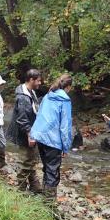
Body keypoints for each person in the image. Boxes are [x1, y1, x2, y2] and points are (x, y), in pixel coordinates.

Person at [29, 74, 73, 203]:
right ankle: (49, 205)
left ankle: (45, 199)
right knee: (53, 172)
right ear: (68, 87)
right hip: (53, 140)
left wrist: (33, 135)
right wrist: (66, 147)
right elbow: (65, 126)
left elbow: (39, 116)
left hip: (40, 137)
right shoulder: (64, 100)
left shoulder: (48, 96)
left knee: (47, 168)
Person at [5, 69, 43, 193]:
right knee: (25, 161)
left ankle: (35, 186)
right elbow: (22, 119)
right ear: (31, 80)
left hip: (31, 131)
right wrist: (30, 135)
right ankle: (20, 191)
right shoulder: (23, 97)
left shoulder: (30, 92)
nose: (40, 83)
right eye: (38, 80)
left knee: (31, 159)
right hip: (24, 133)